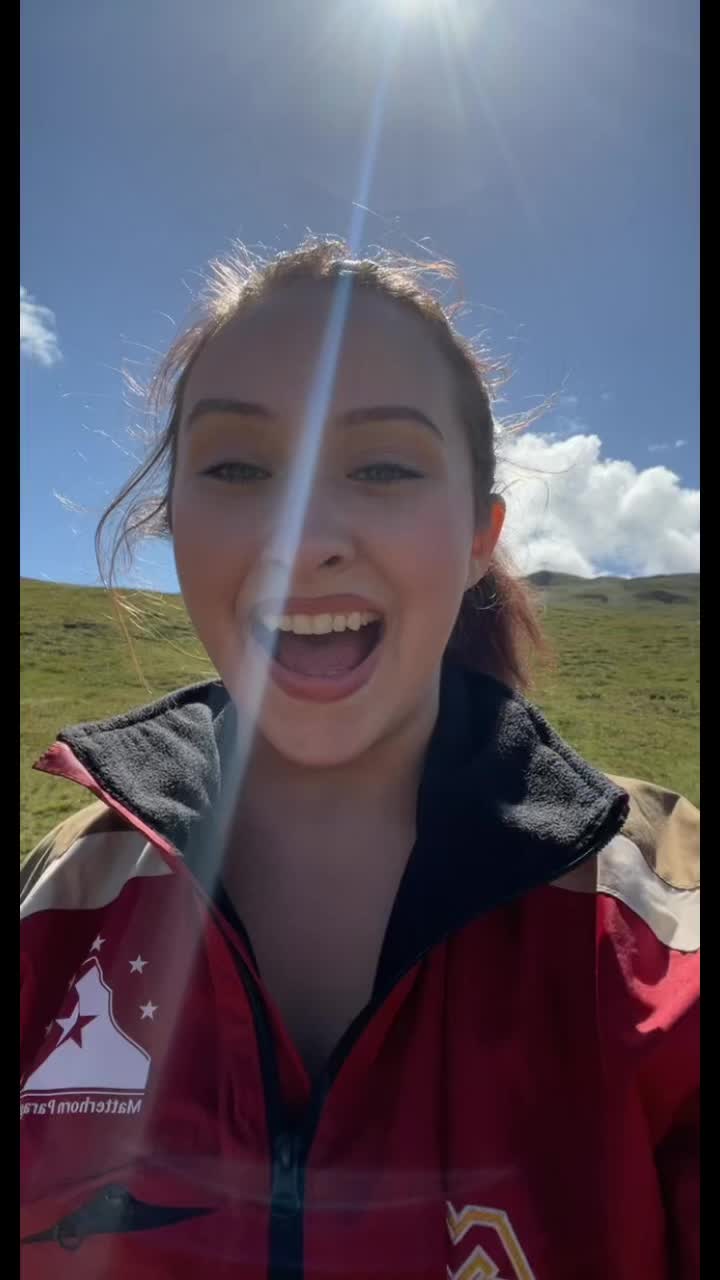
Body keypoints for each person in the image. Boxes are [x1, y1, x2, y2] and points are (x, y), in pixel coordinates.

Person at [20, 239, 699, 1280]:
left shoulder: (664, 923)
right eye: (237, 467)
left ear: (479, 537)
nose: (301, 541)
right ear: (173, 519)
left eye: (382, 466)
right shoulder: (57, 901)